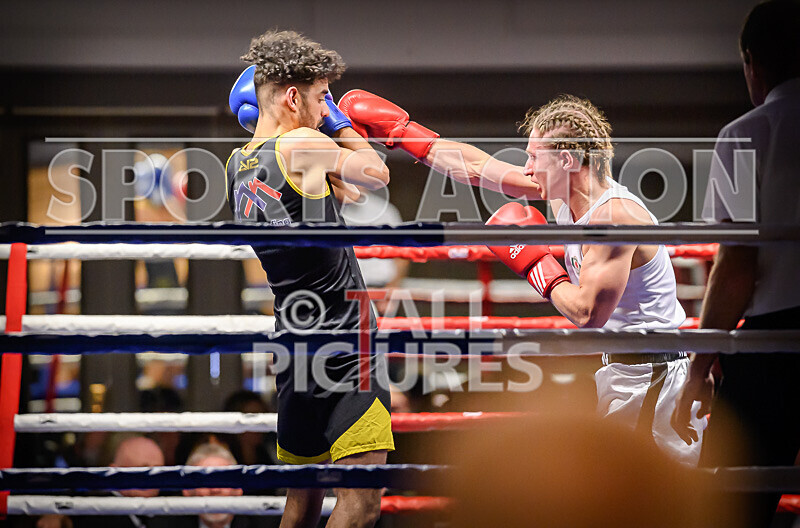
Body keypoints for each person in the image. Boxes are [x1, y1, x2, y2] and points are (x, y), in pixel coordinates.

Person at [340, 90, 706, 465]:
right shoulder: (566, 194)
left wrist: (535, 265)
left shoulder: (613, 217)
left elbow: (586, 312)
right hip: (628, 369)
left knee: (644, 499)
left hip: (654, 374)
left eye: (534, 157)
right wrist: (405, 133)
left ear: (566, 159)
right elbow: (479, 168)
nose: (527, 168)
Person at [226, 30, 394, 528]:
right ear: (292, 97)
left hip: (293, 343)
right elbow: (376, 175)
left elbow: (343, 200)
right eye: (322, 98)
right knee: (361, 504)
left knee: (301, 503)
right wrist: (343, 127)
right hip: (345, 343)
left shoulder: (238, 163)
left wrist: (330, 172)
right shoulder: (303, 140)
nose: (327, 110)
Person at [671, 1, 800, 526]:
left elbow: (736, 267)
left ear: (753, 62)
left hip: (775, 346)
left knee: (729, 507)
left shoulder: (748, 133)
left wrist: (699, 368)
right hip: (772, 340)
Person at [69, 435, 166, 528]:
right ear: (115, 472)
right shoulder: (95, 511)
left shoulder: (164, 513)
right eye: (144, 469)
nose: (153, 478)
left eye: (158, 470)